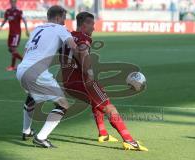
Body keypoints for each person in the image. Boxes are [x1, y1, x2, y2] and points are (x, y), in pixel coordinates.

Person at [59, 12, 148, 151]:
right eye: (92, 24)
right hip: (83, 81)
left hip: (68, 83)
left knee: (99, 98)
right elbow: (83, 53)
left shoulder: (68, 37)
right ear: (84, 24)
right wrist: (89, 73)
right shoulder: (84, 38)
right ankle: (129, 141)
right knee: (109, 107)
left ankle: (103, 134)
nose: (93, 28)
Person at [16, 5, 77, 148]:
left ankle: (26, 131)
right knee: (63, 105)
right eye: (63, 18)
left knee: (32, 97)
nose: (64, 22)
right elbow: (73, 46)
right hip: (36, 72)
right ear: (57, 17)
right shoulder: (60, 29)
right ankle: (41, 137)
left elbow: (26, 51)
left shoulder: (37, 29)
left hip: (22, 69)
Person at [0, 0, 30, 71]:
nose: (13, 3)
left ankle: (14, 66)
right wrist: (0, 27)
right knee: (10, 49)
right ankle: (21, 63)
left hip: (16, 33)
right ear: (10, 3)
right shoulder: (8, 11)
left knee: (13, 49)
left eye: (14, 2)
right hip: (10, 33)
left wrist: (27, 30)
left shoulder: (19, 11)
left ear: (16, 3)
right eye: (11, 2)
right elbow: (5, 20)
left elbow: (24, 20)